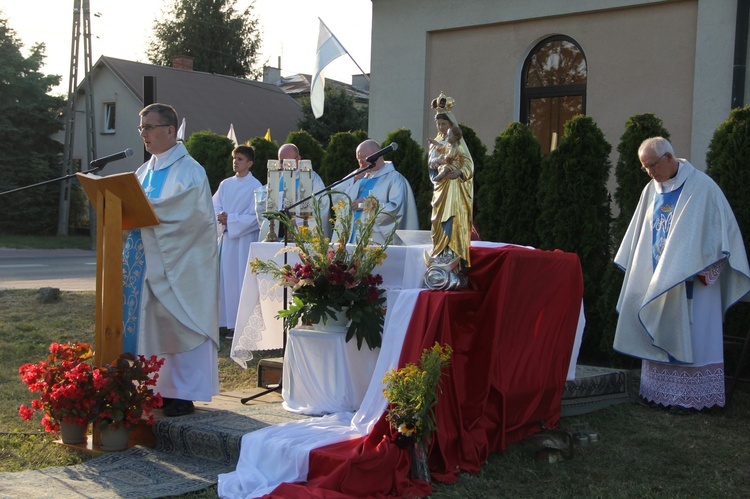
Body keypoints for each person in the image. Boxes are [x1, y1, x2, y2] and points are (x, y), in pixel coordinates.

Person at [613, 136, 750, 414]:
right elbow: (640, 238)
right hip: (658, 280)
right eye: (645, 167)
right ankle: (657, 393)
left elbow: (721, 236)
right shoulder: (650, 190)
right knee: (658, 326)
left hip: (696, 283)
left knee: (696, 335)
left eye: (652, 165)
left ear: (668, 157)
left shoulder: (703, 188)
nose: (650, 172)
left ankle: (691, 399)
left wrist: (705, 270)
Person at [122, 103, 220, 417]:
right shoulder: (143, 171)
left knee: (179, 322)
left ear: (170, 130)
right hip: (145, 262)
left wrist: (148, 214)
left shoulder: (190, 170)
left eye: (149, 127)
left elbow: (189, 216)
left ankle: (183, 392)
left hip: (179, 264)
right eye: (141, 128)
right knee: (151, 325)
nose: (144, 134)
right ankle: (154, 388)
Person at [424, 93, 474, 289]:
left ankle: (452, 254)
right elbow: (431, 163)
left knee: (451, 219)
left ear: (451, 125)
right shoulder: (437, 143)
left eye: (444, 124)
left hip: (453, 187)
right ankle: (439, 251)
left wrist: (460, 173)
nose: (441, 128)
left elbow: (468, 164)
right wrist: (434, 162)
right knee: (437, 219)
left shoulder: (458, 144)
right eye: (439, 125)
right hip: (440, 187)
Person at [213, 145, 262, 338]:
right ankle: (224, 321)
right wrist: (221, 217)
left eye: (240, 159)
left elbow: (255, 217)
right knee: (225, 279)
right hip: (227, 239)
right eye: (234, 158)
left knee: (240, 280)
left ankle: (239, 324)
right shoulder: (225, 184)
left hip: (243, 241)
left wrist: (231, 219)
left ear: (250, 163)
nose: (235, 162)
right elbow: (214, 205)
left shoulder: (256, 187)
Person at [338, 139, 419, 244]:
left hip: (377, 241)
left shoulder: (394, 179)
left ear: (377, 156)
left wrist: (366, 205)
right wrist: (352, 180)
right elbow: (337, 195)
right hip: (353, 238)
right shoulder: (359, 176)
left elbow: (396, 209)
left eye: (364, 158)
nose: (361, 162)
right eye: (358, 159)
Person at [255, 143, 330, 240]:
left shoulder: (312, 179)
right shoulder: (276, 179)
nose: (284, 165)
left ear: (298, 159)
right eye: (281, 161)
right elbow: (265, 209)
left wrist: (299, 222)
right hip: (278, 236)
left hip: (303, 235)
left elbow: (322, 206)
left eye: (288, 161)